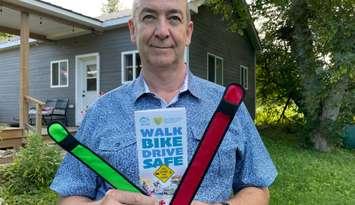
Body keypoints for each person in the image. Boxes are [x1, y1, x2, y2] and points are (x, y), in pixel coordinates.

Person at [50, 0, 277, 204]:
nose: (161, 31)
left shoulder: (228, 107)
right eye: (149, 17)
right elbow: (70, 195)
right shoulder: (101, 110)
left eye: (174, 18)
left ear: (188, 33)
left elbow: (258, 187)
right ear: (133, 29)